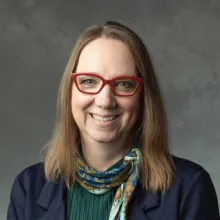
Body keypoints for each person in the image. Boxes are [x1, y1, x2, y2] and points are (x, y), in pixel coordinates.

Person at [7, 21, 219, 220]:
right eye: (89, 81)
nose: (105, 100)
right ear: (69, 92)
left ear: (144, 96)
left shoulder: (190, 188)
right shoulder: (28, 189)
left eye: (123, 84)